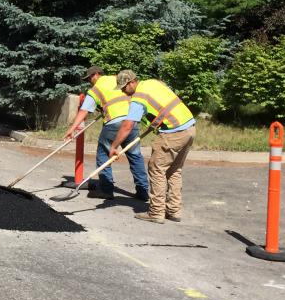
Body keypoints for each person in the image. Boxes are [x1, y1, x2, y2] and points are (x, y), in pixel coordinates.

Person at [109, 69, 195, 224]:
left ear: (132, 82)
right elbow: (165, 104)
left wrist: (114, 146)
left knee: (156, 169)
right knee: (174, 170)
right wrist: (155, 124)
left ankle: (156, 212)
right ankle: (174, 210)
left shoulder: (138, 97)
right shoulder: (153, 83)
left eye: (124, 87)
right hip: (189, 128)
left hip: (173, 133)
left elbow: (128, 125)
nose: (123, 91)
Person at [63, 66, 149, 200]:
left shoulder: (96, 89)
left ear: (97, 74)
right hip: (131, 121)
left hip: (113, 124)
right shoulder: (119, 79)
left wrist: (71, 128)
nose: (90, 81)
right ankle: (143, 192)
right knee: (135, 156)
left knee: (103, 155)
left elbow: (84, 110)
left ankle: (106, 190)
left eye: (91, 77)